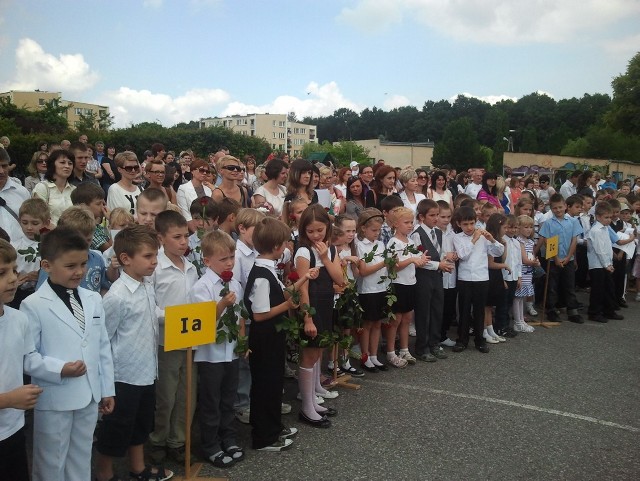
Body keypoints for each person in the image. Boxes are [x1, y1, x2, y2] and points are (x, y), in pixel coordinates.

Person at [20, 227, 115, 481]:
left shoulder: (92, 298)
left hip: (90, 395)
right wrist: (59, 368)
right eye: (71, 265)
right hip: (55, 397)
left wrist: (107, 389)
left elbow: (102, 346)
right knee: (51, 461)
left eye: (83, 264)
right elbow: (28, 356)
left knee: (81, 456)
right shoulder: (33, 304)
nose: (79, 271)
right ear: (47, 265)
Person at [95, 225, 173, 481]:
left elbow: (154, 314)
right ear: (126, 259)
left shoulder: (146, 285)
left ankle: (137, 468)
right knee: (117, 427)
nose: (154, 262)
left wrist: (180, 316)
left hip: (146, 370)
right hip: (123, 375)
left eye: (155, 256)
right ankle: (105, 473)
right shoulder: (116, 297)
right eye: (148, 256)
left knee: (140, 424)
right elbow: (103, 338)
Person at [244, 217, 314, 451]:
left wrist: (304, 278)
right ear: (276, 247)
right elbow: (260, 314)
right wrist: (289, 306)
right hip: (264, 338)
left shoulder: (267, 268)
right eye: (284, 243)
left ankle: (273, 427)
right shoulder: (262, 275)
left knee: (273, 383)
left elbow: (283, 292)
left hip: (271, 336)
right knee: (266, 385)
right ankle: (264, 436)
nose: (286, 247)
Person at [189, 230, 246, 468]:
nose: (230, 262)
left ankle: (228, 437)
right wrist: (222, 303)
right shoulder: (201, 287)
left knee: (228, 397)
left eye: (231, 257)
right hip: (210, 354)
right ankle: (210, 444)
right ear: (207, 261)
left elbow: (241, 315)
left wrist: (243, 342)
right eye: (223, 259)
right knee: (211, 400)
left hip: (231, 351)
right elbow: (203, 320)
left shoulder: (234, 282)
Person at [147, 211, 199, 465]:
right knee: (166, 395)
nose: (183, 242)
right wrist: (172, 317)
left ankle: (178, 440)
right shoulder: (156, 268)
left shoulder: (190, 267)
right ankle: (158, 439)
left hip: (190, 338)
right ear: (161, 238)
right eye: (176, 237)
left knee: (187, 394)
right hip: (166, 340)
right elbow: (149, 305)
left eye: (186, 236)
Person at [294, 204, 344, 428]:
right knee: (309, 354)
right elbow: (303, 288)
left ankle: (313, 398)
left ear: (328, 228)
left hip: (325, 305)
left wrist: (325, 257)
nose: (315, 235)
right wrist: (307, 318)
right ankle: (306, 406)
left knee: (318, 352)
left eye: (320, 230)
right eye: (310, 231)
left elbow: (339, 278)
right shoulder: (303, 252)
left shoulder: (330, 250)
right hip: (311, 307)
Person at [452, 206, 504, 353]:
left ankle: (479, 340)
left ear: (476, 222)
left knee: (480, 310)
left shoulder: (483, 236)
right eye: (465, 224)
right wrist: (473, 240)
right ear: (458, 224)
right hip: (465, 278)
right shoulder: (458, 238)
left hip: (482, 278)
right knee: (464, 310)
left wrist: (492, 239)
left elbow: (498, 251)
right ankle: (462, 340)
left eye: (471, 223)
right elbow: (463, 255)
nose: (469, 227)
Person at [231, 208, 266, 425]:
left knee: (255, 360)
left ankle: (257, 399)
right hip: (243, 315)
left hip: (257, 314)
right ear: (242, 229)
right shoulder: (237, 255)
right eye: (256, 230)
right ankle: (241, 404)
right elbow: (236, 290)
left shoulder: (256, 252)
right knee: (243, 362)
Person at [410, 199, 452, 361]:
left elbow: (440, 253)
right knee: (423, 312)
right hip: (423, 278)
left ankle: (434, 343)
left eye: (437, 215)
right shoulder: (417, 234)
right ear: (421, 216)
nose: (435, 218)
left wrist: (446, 262)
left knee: (437, 310)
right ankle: (422, 347)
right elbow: (419, 259)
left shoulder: (438, 232)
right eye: (432, 215)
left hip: (437, 277)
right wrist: (438, 265)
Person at [386, 207, 428, 367]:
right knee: (395, 320)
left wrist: (421, 260)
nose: (410, 225)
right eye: (406, 222)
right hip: (398, 284)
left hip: (411, 283)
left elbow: (415, 262)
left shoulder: (410, 241)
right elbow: (393, 266)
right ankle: (391, 352)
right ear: (396, 224)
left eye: (412, 222)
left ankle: (404, 349)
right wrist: (411, 260)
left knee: (407, 318)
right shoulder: (393, 242)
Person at [535, 193, 583, 323]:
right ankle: (551, 310)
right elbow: (547, 241)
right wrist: (555, 258)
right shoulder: (548, 223)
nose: (558, 210)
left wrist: (569, 257)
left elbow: (574, 240)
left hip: (568, 259)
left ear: (565, 206)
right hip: (553, 260)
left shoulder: (573, 222)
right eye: (555, 208)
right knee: (552, 286)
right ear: (551, 209)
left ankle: (572, 311)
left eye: (560, 207)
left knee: (569, 286)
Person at [356, 208, 389, 373]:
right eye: (374, 230)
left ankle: (374, 356)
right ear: (363, 228)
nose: (377, 233)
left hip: (381, 287)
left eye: (379, 230)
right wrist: (384, 263)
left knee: (377, 323)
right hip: (367, 290)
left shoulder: (381, 244)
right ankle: (365, 355)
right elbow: (363, 271)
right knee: (367, 324)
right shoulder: (359, 245)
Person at [586, 202, 623, 322]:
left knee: (609, 288)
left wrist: (609, 263)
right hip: (597, 264)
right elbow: (599, 250)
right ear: (598, 217)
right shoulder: (596, 230)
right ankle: (594, 312)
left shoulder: (605, 228)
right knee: (598, 289)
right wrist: (606, 264)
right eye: (606, 217)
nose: (608, 220)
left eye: (610, 217)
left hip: (606, 263)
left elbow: (608, 246)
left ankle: (609, 310)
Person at [11, 199, 50, 309]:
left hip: (44, 293)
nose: (29, 227)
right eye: (24, 222)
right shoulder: (14, 246)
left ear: (46, 223)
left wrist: (41, 276)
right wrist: (16, 278)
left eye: (35, 223)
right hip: (19, 293)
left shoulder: (51, 245)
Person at [483, 213, 509, 344]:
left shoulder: (500, 241)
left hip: (497, 275)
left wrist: (505, 246)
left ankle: (490, 329)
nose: (506, 230)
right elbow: (490, 263)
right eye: (504, 227)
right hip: (489, 275)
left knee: (489, 306)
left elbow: (502, 258)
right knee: (485, 306)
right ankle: (484, 331)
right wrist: (505, 266)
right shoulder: (489, 240)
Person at [32, 149, 76, 225]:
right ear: (52, 165)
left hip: (72, 234)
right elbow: (38, 217)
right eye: (62, 162)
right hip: (49, 235)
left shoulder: (74, 190)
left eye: (70, 163)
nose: (67, 166)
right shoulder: (43, 187)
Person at [513, 215, 538, 332]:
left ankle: (521, 320)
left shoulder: (530, 241)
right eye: (526, 227)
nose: (529, 230)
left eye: (531, 227)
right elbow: (524, 259)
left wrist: (535, 261)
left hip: (528, 273)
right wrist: (534, 263)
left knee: (521, 297)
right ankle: (517, 322)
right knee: (517, 298)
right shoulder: (519, 241)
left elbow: (531, 256)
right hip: (521, 273)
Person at [70, 182, 111, 252]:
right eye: (98, 204)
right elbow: (111, 250)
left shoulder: (97, 226)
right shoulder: (87, 229)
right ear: (83, 207)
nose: (103, 207)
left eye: (103, 203)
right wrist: (113, 221)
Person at [107, 151, 143, 216]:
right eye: (129, 168)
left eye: (136, 167)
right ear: (119, 169)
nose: (133, 170)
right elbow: (117, 217)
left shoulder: (141, 189)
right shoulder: (114, 189)